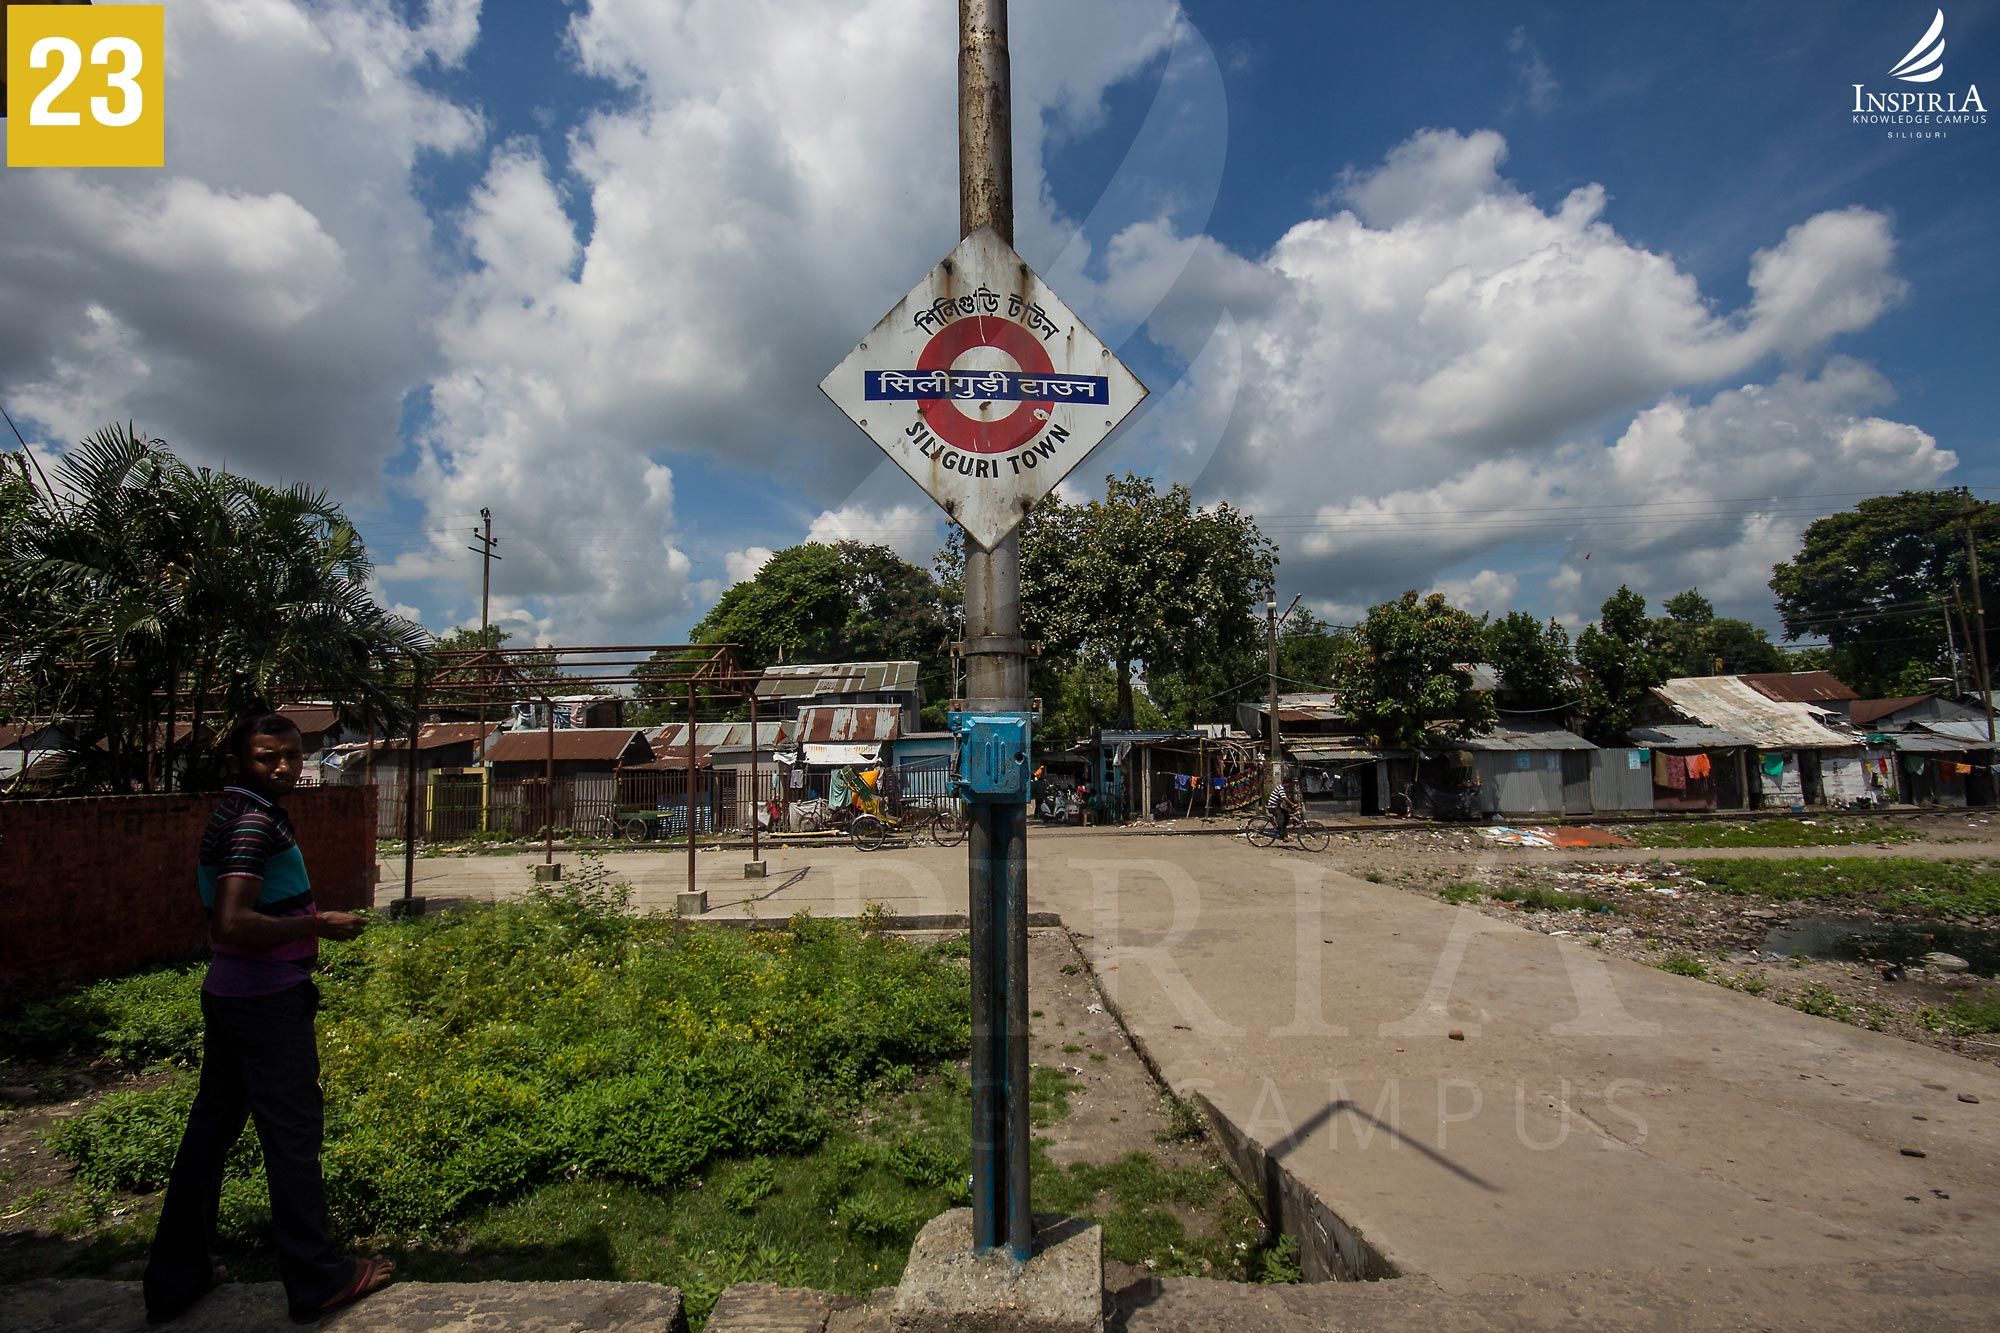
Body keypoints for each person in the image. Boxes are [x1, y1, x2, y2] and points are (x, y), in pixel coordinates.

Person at [143, 712, 395, 1324]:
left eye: (292, 754)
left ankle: (179, 1273)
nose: (283, 766)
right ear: (239, 764)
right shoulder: (253, 824)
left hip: (232, 995)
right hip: (265, 999)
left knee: (210, 1134)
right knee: (292, 1137)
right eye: (266, 757)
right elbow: (231, 922)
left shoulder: (237, 813)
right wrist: (318, 924)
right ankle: (315, 1277)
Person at [1266, 772, 1295, 841]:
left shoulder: (1283, 788)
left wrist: (1292, 806)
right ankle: (1282, 836)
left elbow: (1286, 799)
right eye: (1290, 783)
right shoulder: (1281, 788)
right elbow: (1285, 798)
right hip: (1272, 807)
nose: (1290, 785)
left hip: (1276, 806)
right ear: (1286, 783)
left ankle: (1283, 831)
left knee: (1287, 815)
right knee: (1281, 820)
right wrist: (1292, 804)